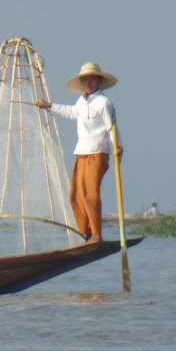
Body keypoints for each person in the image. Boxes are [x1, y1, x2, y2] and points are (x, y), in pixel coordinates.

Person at [36, 61, 122, 243]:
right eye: (85, 80)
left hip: (98, 153)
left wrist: (117, 148)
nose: (89, 83)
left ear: (98, 81)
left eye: (92, 80)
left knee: (90, 193)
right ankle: (86, 232)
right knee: (76, 193)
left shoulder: (104, 102)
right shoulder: (82, 101)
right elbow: (72, 112)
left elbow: (111, 127)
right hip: (82, 153)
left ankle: (97, 234)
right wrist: (49, 106)